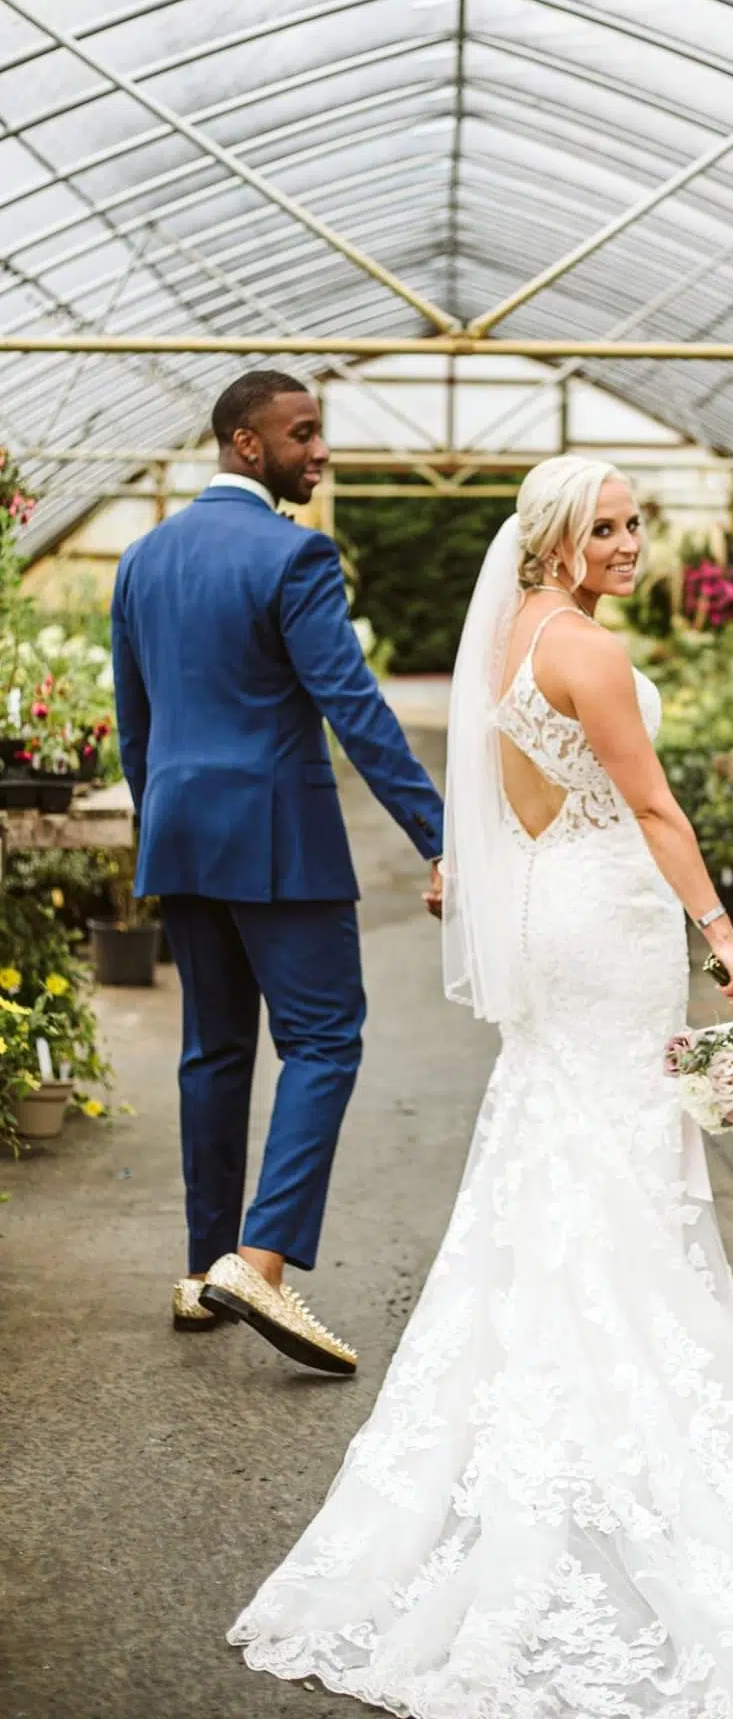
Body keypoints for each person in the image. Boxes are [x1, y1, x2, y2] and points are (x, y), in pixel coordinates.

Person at [229, 455, 733, 1714]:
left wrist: (487, 886)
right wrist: (726, 938)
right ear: (550, 539)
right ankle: (629, 1403)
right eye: (601, 526)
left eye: (633, 521)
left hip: (558, 906)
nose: (626, 541)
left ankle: (552, 1391)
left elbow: (505, 805)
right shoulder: (585, 652)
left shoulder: (514, 640)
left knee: (561, 1138)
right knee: (619, 1152)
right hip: (607, 917)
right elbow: (653, 808)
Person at [111, 370, 446, 1378]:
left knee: (213, 1051)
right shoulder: (294, 553)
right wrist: (440, 834)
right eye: (302, 434)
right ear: (245, 444)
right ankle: (257, 1262)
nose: (320, 451)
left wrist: (162, 820)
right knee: (324, 1039)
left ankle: (200, 1267)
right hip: (278, 842)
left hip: (181, 833)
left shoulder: (142, 558)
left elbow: (137, 726)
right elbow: (352, 706)